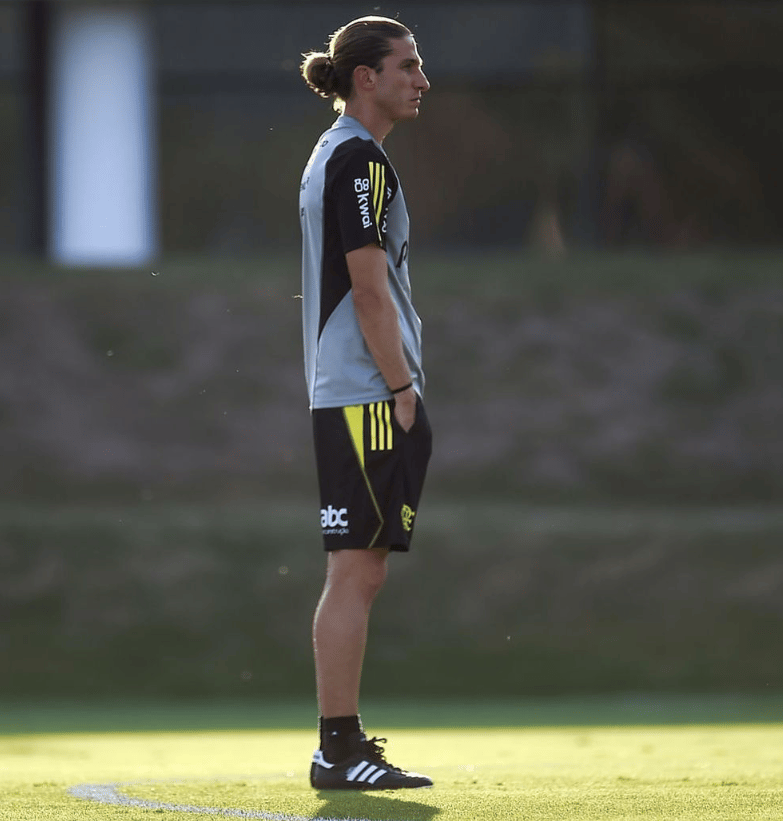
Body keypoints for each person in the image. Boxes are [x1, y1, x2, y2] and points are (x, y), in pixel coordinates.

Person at [298, 16, 433, 791]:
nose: (420, 80)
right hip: (366, 392)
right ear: (365, 78)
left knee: (360, 571)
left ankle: (339, 745)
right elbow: (368, 286)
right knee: (354, 572)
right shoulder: (358, 159)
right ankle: (338, 748)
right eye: (407, 66)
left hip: (350, 390)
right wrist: (402, 386)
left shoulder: (341, 153)